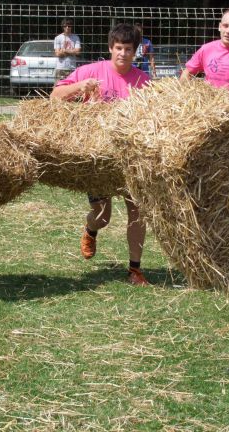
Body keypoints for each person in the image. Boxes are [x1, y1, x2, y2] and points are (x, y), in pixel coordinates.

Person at [51, 23, 151, 285]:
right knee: (102, 215)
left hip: (131, 158)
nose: (122, 54)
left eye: (128, 49)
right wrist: (80, 86)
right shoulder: (91, 71)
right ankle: (91, 230)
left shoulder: (145, 82)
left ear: (135, 51)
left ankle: (135, 269)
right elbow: (54, 96)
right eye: (118, 48)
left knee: (138, 211)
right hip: (99, 157)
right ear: (110, 48)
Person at [54, 18, 82, 82]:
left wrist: (65, 50)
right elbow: (58, 54)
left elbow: (78, 52)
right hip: (60, 68)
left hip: (72, 68)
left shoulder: (76, 37)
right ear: (62, 27)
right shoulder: (58, 38)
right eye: (65, 26)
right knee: (59, 89)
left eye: (69, 26)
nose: (67, 27)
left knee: (72, 89)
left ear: (71, 27)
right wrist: (72, 51)